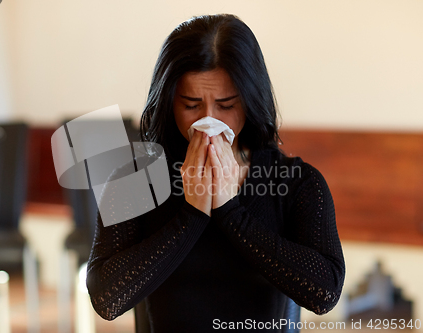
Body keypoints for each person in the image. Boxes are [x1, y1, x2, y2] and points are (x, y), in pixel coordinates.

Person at [86, 14, 345, 332]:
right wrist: (192, 214)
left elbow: (324, 295)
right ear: (169, 102)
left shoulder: (296, 182)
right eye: (192, 105)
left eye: (226, 105)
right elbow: (106, 300)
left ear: (251, 102)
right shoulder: (134, 180)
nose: (209, 122)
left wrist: (229, 211)